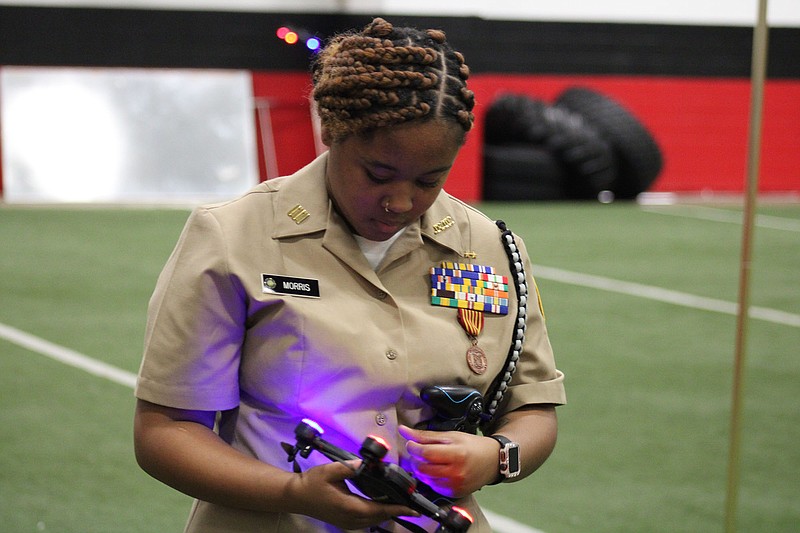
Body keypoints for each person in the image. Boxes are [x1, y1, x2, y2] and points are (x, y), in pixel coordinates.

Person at [133, 17, 566, 533]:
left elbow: (534, 410)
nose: (401, 200)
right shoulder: (232, 237)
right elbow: (166, 431)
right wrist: (294, 493)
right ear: (331, 132)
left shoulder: (492, 250)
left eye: (430, 180)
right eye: (377, 174)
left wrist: (496, 456)